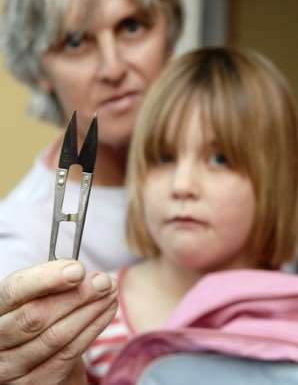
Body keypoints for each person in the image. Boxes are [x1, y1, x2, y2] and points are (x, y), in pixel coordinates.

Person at [0, 0, 183, 384]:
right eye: (77, 41)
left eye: (132, 27)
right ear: (39, 70)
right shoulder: (20, 241)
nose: (114, 66)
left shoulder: (231, 177)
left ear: (170, 30)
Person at [83, 47, 298, 384]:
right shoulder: (90, 315)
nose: (182, 186)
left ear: (275, 178)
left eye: (219, 159)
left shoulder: (289, 316)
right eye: (164, 158)